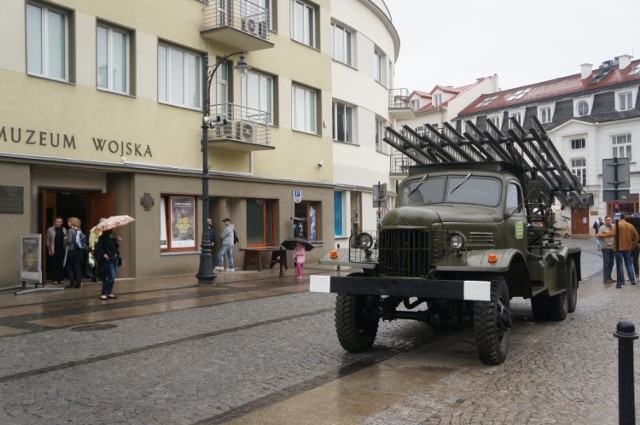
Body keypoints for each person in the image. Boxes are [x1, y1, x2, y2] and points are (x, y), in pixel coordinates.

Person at [597, 213, 639, 288]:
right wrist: (633, 245)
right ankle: (632, 280)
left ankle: (621, 281)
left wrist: (600, 235)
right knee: (629, 263)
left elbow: (612, 234)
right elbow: (636, 236)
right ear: (624, 217)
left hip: (619, 248)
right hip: (628, 248)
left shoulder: (617, 225)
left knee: (619, 264)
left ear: (619, 218)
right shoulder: (630, 225)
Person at [94, 228, 119, 300]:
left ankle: (109, 292)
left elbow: (115, 248)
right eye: (112, 229)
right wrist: (104, 254)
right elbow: (98, 248)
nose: (113, 230)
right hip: (107, 259)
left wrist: (118, 241)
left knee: (113, 277)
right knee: (110, 276)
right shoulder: (102, 237)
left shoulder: (112, 237)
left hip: (114, 258)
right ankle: (104, 293)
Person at [64, 217, 84, 288]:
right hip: (79, 250)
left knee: (69, 267)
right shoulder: (79, 230)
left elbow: (69, 241)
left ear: (71, 222)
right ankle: (78, 283)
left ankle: (72, 283)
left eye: (68, 222)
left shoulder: (70, 230)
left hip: (72, 250)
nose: (68, 223)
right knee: (77, 266)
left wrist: (66, 239)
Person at [46, 216, 67, 285]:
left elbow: (66, 240)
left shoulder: (64, 230)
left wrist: (66, 239)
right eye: (56, 221)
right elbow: (48, 241)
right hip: (53, 249)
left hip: (61, 249)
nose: (57, 223)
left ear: (61, 223)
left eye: (59, 222)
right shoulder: (50, 229)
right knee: (53, 264)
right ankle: (54, 279)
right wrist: (49, 250)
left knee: (60, 264)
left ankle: (59, 279)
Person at [598, 215, 615, 283]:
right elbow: (599, 237)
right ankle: (605, 278)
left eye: (609, 220)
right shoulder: (602, 227)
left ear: (611, 220)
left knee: (612, 263)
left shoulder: (614, 227)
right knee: (606, 263)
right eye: (607, 220)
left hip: (613, 247)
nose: (608, 221)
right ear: (604, 221)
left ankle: (609, 277)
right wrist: (603, 234)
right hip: (606, 247)